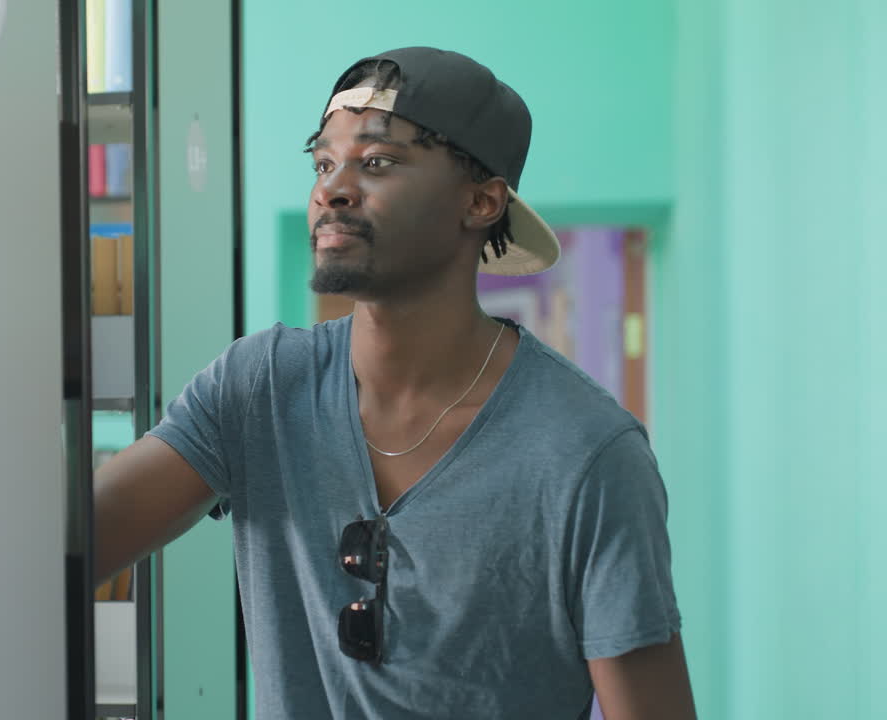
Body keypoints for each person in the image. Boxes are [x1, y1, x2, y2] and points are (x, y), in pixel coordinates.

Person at [95, 46, 695, 719]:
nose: (332, 188)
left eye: (377, 162)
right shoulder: (258, 389)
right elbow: (69, 546)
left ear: (481, 201)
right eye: (323, 162)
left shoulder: (587, 452)